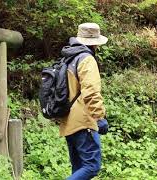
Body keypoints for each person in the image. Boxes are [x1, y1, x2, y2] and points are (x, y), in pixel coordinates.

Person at [59, 23, 109, 180]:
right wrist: (99, 117)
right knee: (91, 166)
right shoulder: (86, 59)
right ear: (95, 43)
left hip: (68, 122)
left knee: (79, 169)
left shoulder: (68, 58)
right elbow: (91, 92)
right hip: (83, 122)